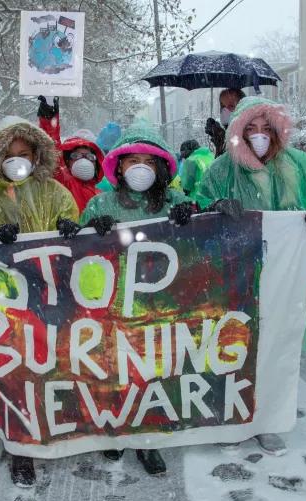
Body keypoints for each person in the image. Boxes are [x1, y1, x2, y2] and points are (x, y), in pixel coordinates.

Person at [196, 96, 306, 456]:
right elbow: (199, 198)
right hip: (232, 270)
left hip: (284, 273)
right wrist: (214, 207)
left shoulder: (300, 165)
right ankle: (230, 416)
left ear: (279, 131)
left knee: (276, 345)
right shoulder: (222, 169)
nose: (260, 136)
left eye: (267, 128)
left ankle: (267, 419)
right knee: (231, 342)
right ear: (238, 132)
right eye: (251, 128)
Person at [72, 119, 195, 476]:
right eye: (132, 160)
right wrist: (86, 231)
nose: (140, 168)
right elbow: (79, 251)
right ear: (119, 165)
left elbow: (199, 238)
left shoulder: (175, 200)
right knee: (113, 369)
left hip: (160, 302)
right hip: (112, 302)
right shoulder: (101, 203)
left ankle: (145, 440)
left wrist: (193, 215)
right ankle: (114, 431)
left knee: (151, 372)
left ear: (160, 167)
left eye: (148, 161)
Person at [0, 115, 79, 488]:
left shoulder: (55, 192)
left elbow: (75, 234)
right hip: (6, 298)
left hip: (50, 290)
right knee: (15, 369)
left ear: (36, 155)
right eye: (10, 154)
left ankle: (51, 426)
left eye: (25, 153)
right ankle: (20, 447)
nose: (18, 161)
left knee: (51, 363)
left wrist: (69, 230)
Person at [37, 96, 105, 212]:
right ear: (67, 161)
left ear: (96, 163)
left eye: (90, 157)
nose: (84, 160)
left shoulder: (102, 197)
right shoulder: (63, 183)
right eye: (76, 156)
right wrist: (49, 121)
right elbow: (52, 151)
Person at [204, 88, 246, 157]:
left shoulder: (245, 136)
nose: (225, 110)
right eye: (222, 106)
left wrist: (221, 139)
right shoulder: (229, 134)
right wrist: (219, 138)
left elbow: (229, 163)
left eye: (231, 106)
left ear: (242, 107)